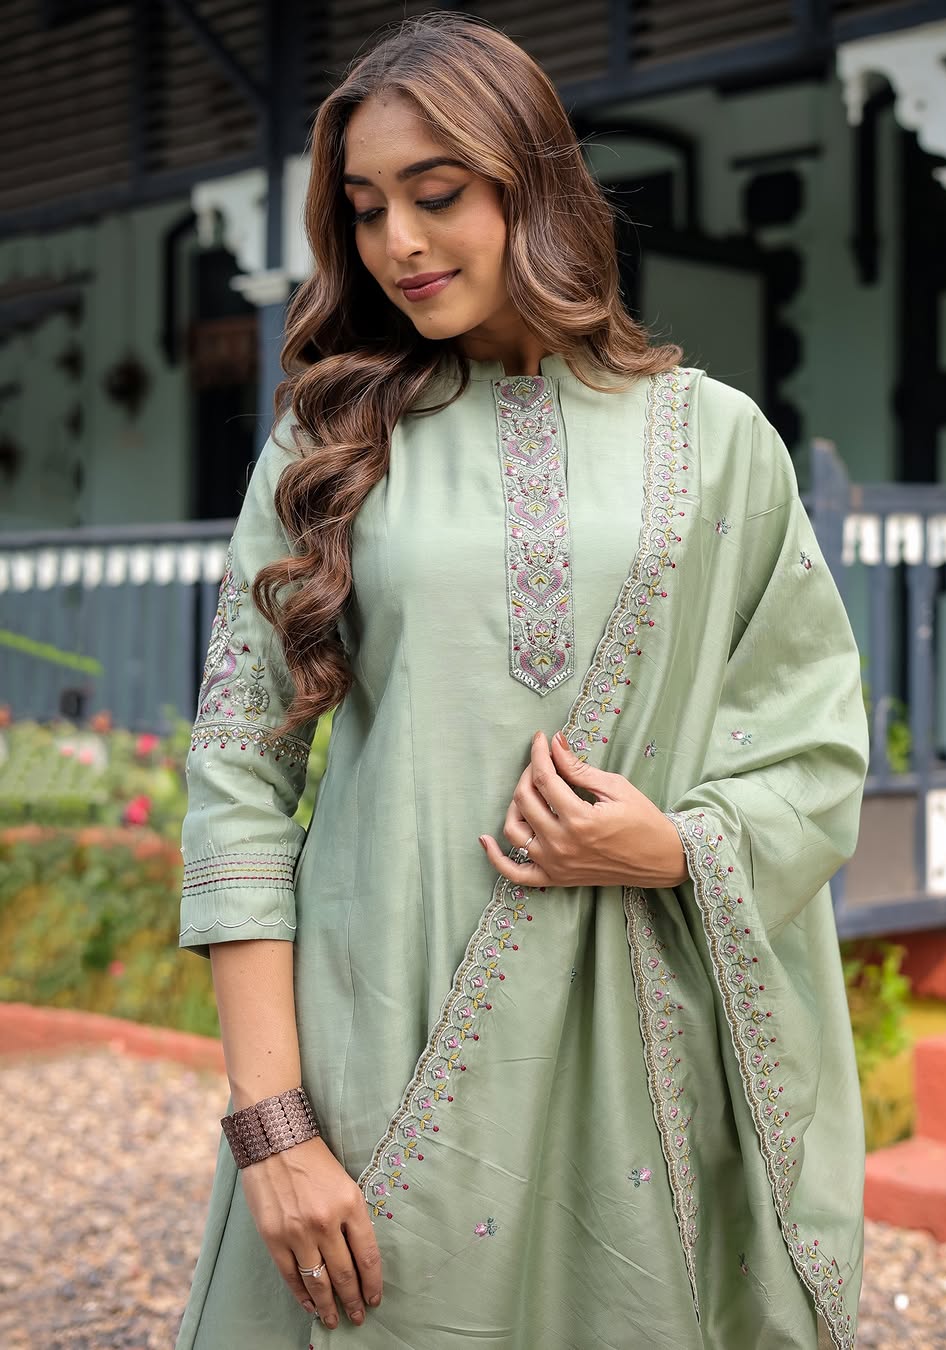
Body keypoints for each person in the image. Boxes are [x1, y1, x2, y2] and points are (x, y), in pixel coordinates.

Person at [173, 13, 869, 1350]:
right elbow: (237, 777)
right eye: (368, 210)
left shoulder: (716, 440)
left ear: (533, 185)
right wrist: (273, 1129)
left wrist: (673, 843)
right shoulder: (328, 443)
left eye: (438, 197)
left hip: (639, 1056)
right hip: (380, 1033)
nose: (401, 246)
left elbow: (813, 742)